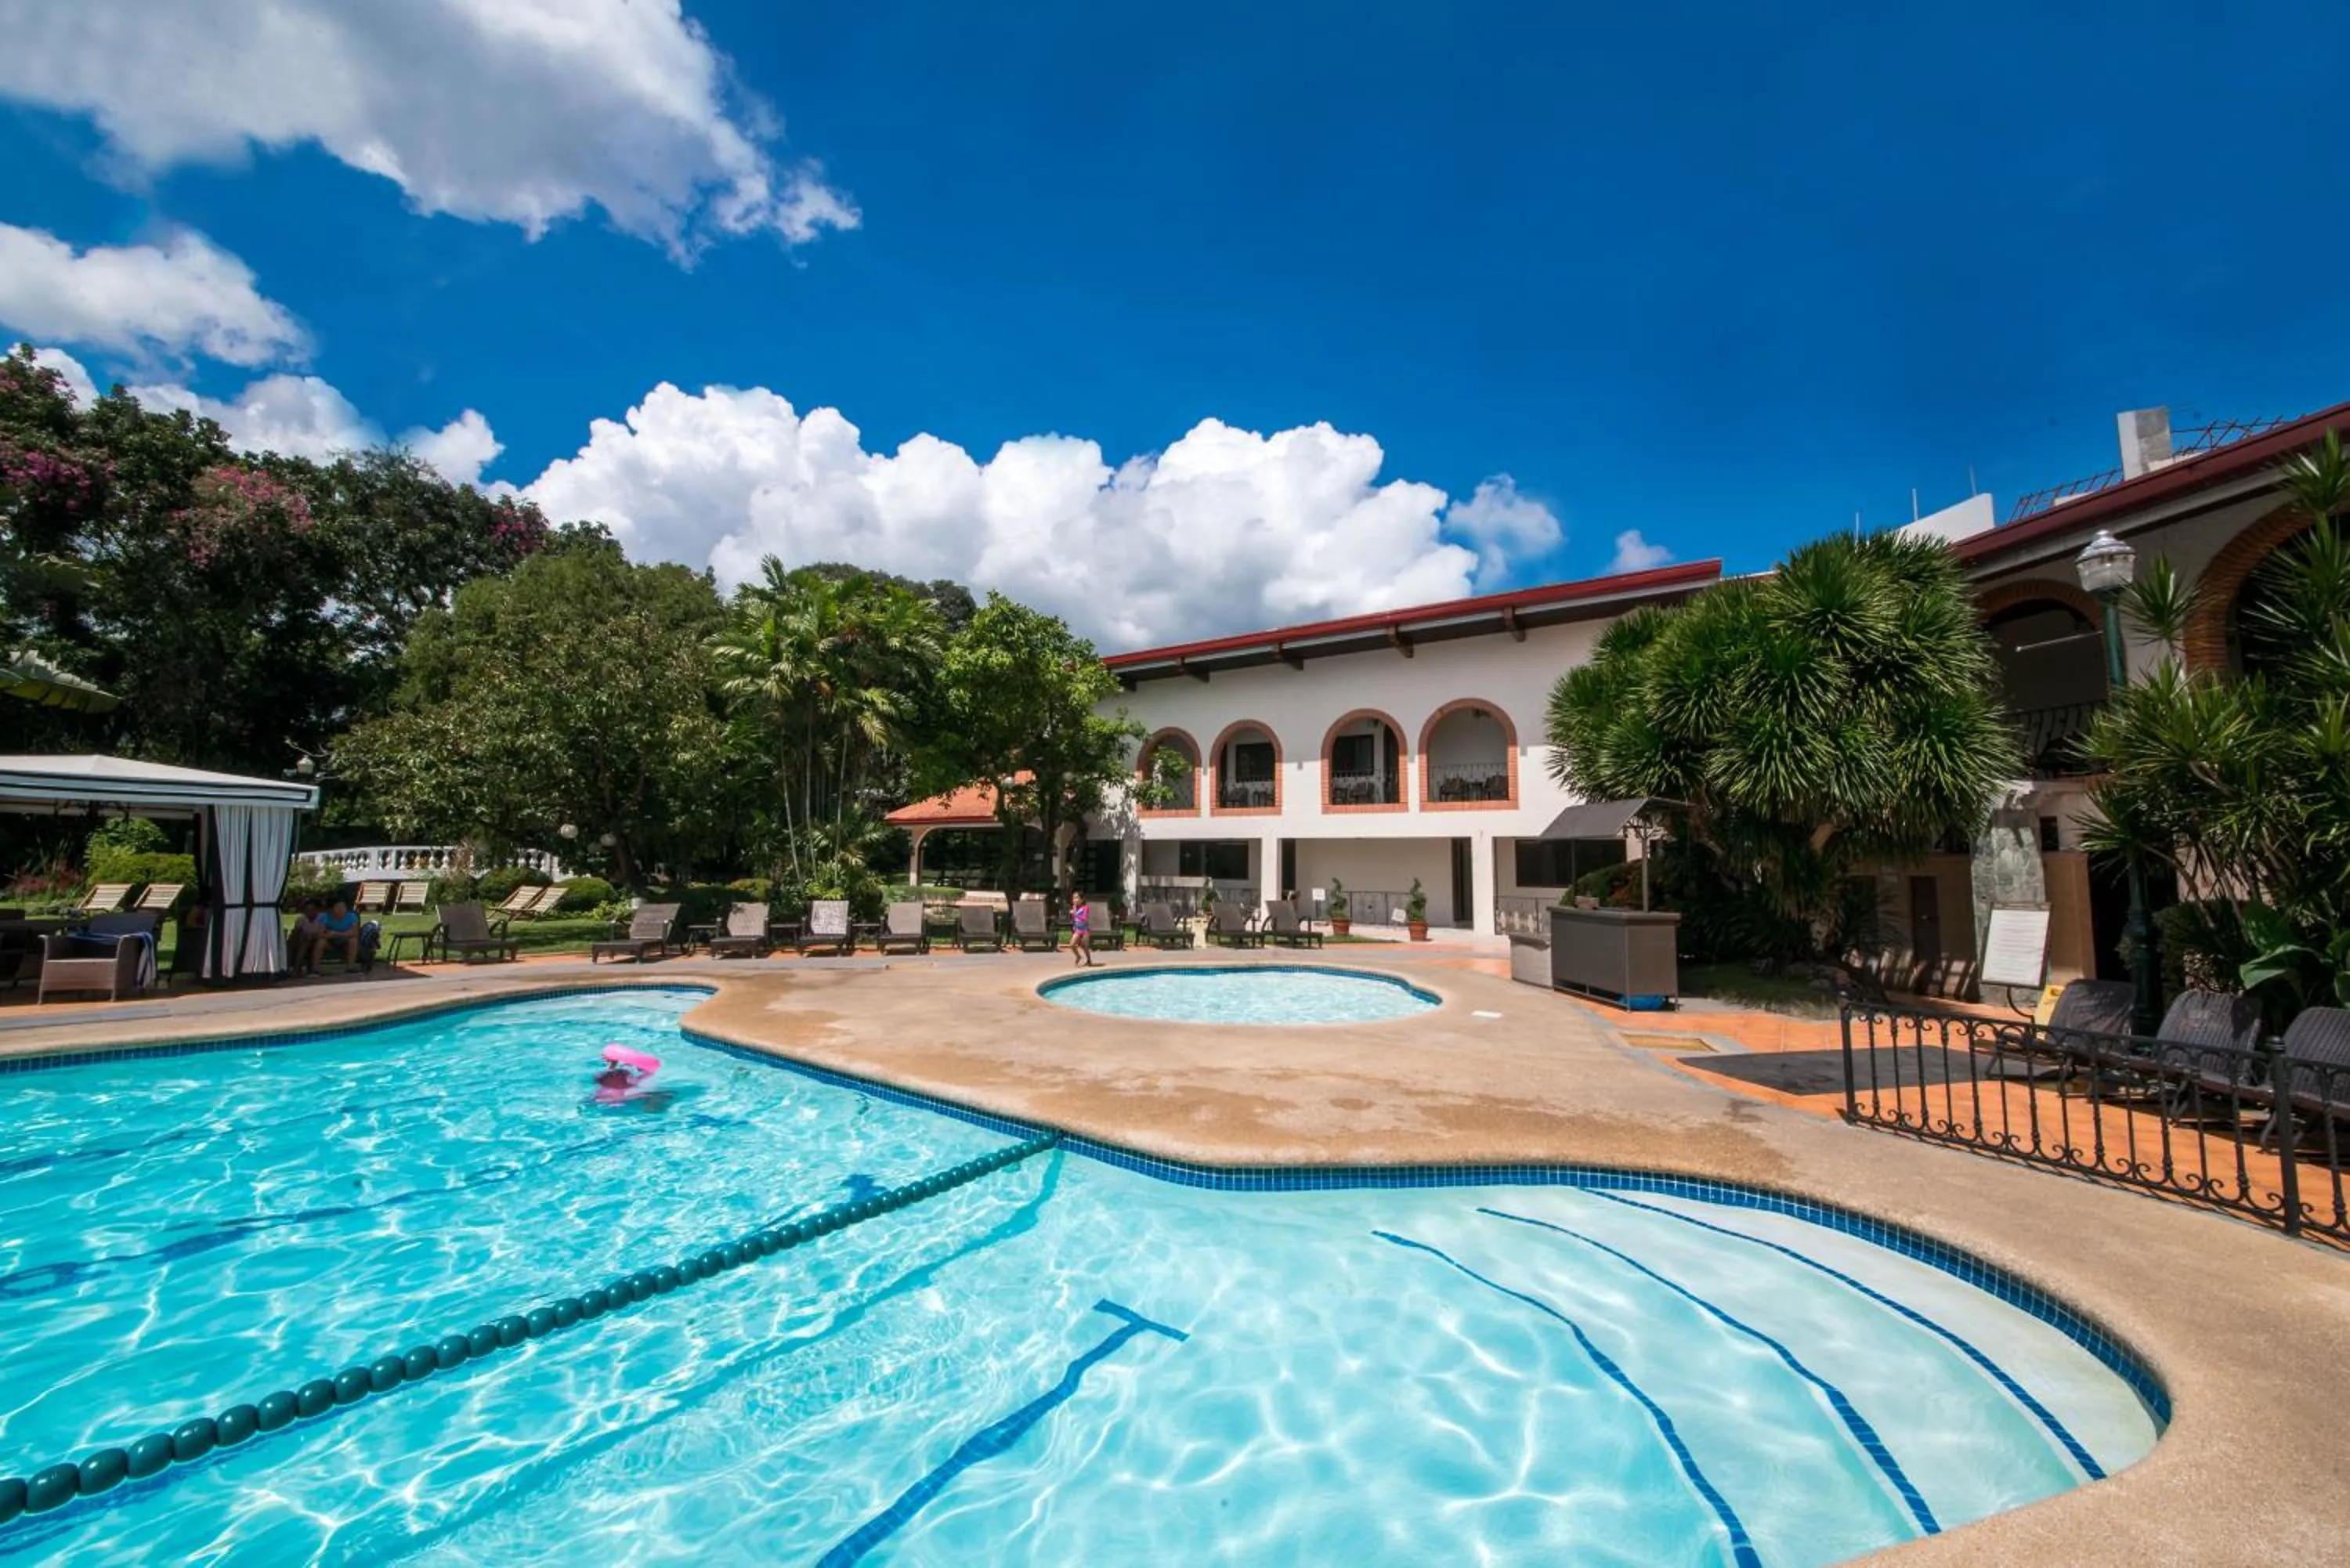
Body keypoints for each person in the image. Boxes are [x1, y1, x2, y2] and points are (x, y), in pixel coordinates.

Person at [316, 898, 362, 970]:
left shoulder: (352, 917)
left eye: (343, 907)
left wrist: (335, 933)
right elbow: (320, 934)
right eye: (338, 908)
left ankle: (351, 967)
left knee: (353, 941)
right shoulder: (325, 917)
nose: (342, 910)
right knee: (321, 942)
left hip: (344, 942)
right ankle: (315, 968)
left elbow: (355, 933)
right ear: (332, 910)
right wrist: (329, 935)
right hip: (330, 942)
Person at [287, 898, 326, 975]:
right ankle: (289, 967)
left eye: (313, 910)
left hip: (317, 940)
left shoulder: (322, 918)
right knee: (295, 943)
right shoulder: (300, 919)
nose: (310, 912)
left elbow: (322, 933)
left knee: (305, 944)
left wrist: (310, 936)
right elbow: (296, 932)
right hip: (302, 940)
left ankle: (296, 969)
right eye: (307, 910)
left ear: (317, 910)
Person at [1068, 896, 1094, 968]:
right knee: (1072, 945)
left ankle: (1089, 960)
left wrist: (1075, 914)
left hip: (1085, 930)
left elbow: (1084, 918)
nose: (1075, 900)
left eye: (1077, 898)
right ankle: (1078, 956)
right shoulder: (1074, 908)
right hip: (1078, 930)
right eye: (1074, 898)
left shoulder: (1085, 908)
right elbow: (1075, 920)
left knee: (1085, 947)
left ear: (1082, 900)